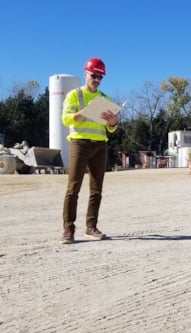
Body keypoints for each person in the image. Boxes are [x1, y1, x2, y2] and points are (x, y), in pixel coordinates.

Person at [60, 57, 119, 244]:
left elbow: (110, 129)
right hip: (80, 144)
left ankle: (91, 227)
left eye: (101, 77)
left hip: (100, 145)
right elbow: (66, 119)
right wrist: (83, 112)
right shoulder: (74, 95)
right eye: (94, 75)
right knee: (73, 188)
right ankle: (68, 229)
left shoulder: (105, 98)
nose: (97, 80)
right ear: (85, 73)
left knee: (96, 190)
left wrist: (113, 123)